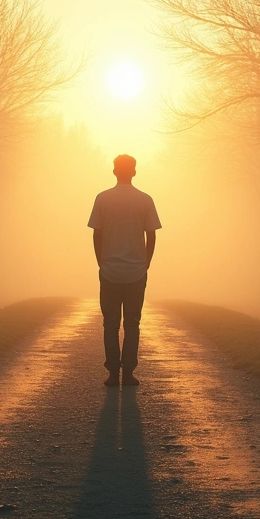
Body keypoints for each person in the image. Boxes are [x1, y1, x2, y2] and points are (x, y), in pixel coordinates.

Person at [88, 154, 161, 387]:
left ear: (114, 171)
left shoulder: (102, 199)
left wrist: (101, 261)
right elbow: (151, 235)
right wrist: (146, 262)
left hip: (109, 270)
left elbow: (96, 234)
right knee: (132, 324)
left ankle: (112, 373)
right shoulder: (145, 200)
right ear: (135, 172)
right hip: (136, 272)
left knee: (110, 324)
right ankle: (128, 373)